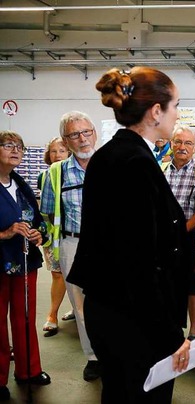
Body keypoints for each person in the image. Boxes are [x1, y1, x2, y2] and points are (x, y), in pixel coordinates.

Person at [68, 67, 191, 403]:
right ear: (155, 112)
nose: (177, 114)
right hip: (134, 320)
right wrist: (171, 336)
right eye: (175, 106)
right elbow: (140, 263)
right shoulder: (134, 163)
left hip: (109, 309)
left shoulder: (109, 155)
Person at [40, 111, 101, 381]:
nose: (82, 139)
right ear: (66, 140)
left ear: (94, 133)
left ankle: (115, 352)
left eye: (86, 132)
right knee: (80, 304)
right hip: (72, 243)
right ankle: (93, 357)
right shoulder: (57, 172)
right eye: (75, 134)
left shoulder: (111, 164)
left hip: (108, 244)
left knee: (113, 301)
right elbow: (47, 211)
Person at [0, 131, 51, 401]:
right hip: (0, 263)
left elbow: (37, 218)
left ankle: (28, 370)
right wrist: (5, 234)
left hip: (24, 261)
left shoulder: (21, 184)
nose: (16, 150)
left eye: (19, 146)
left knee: (25, 317)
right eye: (8, 145)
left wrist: (38, 233)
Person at [162, 125, 195, 340]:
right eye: (178, 142)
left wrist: (181, 230)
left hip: (191, 237)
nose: (182, 147)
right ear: (171, 144)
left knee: (193, 287)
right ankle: (170, 327)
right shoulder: (160, 170)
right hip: (163, 238)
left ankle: (193, 331)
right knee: (167, 283)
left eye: (188, 143)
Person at [38, 137, 70, 338]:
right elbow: (45, 208)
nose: (57, 155)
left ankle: (77, 310)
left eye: (62, 151)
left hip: (77, 234)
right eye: (53, 151)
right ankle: (52, 315)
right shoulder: (45, 175)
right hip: (53, 234)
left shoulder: (77, 172)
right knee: (57, 274)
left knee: (80, 277)